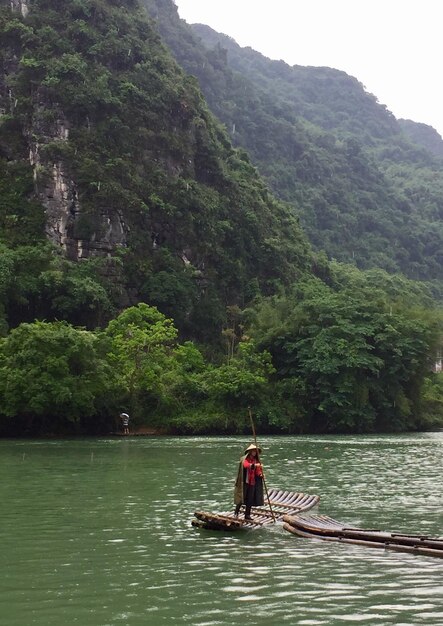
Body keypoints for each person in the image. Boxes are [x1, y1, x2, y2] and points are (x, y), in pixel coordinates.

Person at [234, 443, 264, 520]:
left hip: (252, 482)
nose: (254, 452)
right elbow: (246, 465)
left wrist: (260, 474)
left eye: (255, 451)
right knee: (242, 498)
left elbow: (257, 471)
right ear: (250, 451)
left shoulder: (255, 460)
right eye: (253, 451)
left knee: (250, 499)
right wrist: (255, 465)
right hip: (245, 482)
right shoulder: (245, 459)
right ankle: (236, 512)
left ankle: (247, 515)